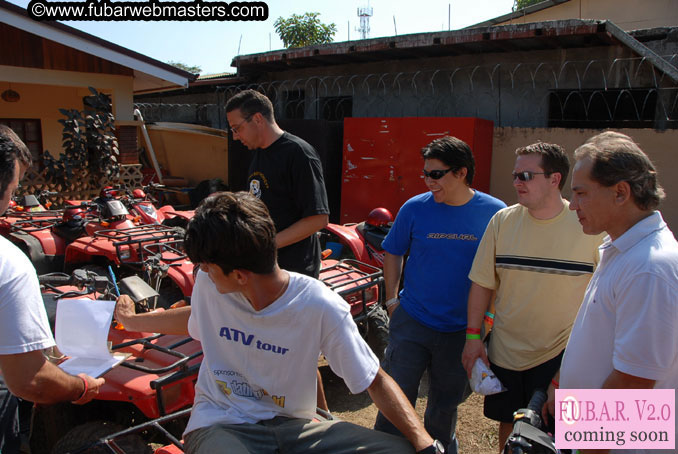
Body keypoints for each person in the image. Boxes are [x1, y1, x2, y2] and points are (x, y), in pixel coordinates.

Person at [115, 191, 445, 454]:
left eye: (208, 268)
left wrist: (424, 443)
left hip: (295, 427)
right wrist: (132, 321)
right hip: (221, 423)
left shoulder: (319, 305)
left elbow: (374, 380)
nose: (201, 272)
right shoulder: (209, 286)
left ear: (240, 275)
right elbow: (198, 318)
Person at [461, 142, 603, 450]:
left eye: (525, 175)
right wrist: (473, 337)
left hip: (559, 358)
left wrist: (569, 370)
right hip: (505, 353)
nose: (515, 183)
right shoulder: (502, 221)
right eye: (515, 175)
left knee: (555, 439)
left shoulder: (588, 227)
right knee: (510, 433)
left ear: (555, 179)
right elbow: (482, 283)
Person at [544, 132, 678, 454]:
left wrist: (586, 448)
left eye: (580, 193)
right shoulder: (623, 249)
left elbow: (635, 382)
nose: (572, 205)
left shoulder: (649, 268)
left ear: (621, 193)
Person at [373, 136, 506, 453]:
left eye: (436, 174)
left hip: (462, 330)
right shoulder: (415, 208)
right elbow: (393, 251)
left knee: (444, 408)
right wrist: (392, 301)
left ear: (461, 173)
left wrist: (486, 321)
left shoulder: (495, 213)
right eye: (425, 174)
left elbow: (500, 273)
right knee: (394, 399)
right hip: (413, 322)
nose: (428, 181)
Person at [0, 125, 104, 453]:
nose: (12, 201)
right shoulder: (9, 264)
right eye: (14, 191)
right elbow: (31, 381)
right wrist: (82, 386)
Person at [225, 89, 329, 278]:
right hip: (265, 265)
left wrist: (267, 245)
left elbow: (317, 219)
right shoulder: (258, 152)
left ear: (257, 119)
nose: (235, 136)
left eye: (236, 128)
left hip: (294, 270)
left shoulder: (298, 153)